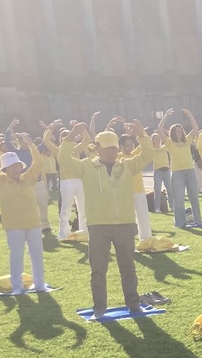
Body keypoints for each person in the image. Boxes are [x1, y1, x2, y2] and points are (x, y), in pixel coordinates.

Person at [61, 121, 153, 318]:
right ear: (98, 149)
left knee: (128, 268)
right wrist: (69, 138)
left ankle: (133, 303)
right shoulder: (87, 166)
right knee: (98, 269)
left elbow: (148, 155)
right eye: (108, 148)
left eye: (114, 147)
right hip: (98, 225)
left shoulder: (127, 165)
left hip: (125, 224)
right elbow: (64, 159)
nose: (112, 151)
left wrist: (142, 135)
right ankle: (99, 306)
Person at [0, 133, 47, 293]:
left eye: (18, 165)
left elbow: (38, 161)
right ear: (5, 169)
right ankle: (17, 287)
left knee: (37, 255)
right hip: (14, 226)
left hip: (33, 223)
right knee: (16, 257)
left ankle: (39, 284)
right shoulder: (0, 180)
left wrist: (31, 144)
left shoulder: (28, 177)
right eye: (13, 167)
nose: (17, 169)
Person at [43, 119, 89, 239]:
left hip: (80, 181)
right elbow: (46, 141)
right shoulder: (58, 151)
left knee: (83, 209)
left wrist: (81, 129)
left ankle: (84, 232)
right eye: (64, 137)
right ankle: (64, 234)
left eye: (70, 135)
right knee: (66, 209)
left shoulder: (77, 149)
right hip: (66, 182)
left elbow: (87, 140)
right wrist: (51, 127)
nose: (68, 138)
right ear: (61, 140)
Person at [159, 107, 202, 228]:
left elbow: (195, 129)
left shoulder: (187, 140)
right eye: (177, 131)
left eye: (180, 131)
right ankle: (180, 222)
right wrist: (166, 116)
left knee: (194, 196)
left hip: (190, 171)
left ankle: (198, 221)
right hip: (177, 173)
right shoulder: (169, 143)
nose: (179, 133)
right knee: (179, 199)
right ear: (173, 133)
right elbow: (160, 130)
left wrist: (190, 116)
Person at [116, 124, 153, 240]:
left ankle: (146, 239)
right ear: (121, 146)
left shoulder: (135, 154)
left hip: (139, 190)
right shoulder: (117, 158)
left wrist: (140, 132)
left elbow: (146, 146)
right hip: (125, 192)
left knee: (143, 216)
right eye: (127, 145)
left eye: (131, 144)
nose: (130, 147)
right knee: (127, 218)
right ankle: (127, 240)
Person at [151, 131, 171, 213]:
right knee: (158, 189)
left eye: (159, 138)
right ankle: (157, 208)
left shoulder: (164, 147)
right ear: (153, 140)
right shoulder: (152, 149)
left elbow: (169, 139)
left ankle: (172, 206)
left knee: (170, 189)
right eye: (156, 139)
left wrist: (166, 131)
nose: (158, 140)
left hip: (166, 170)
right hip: (158, 170)